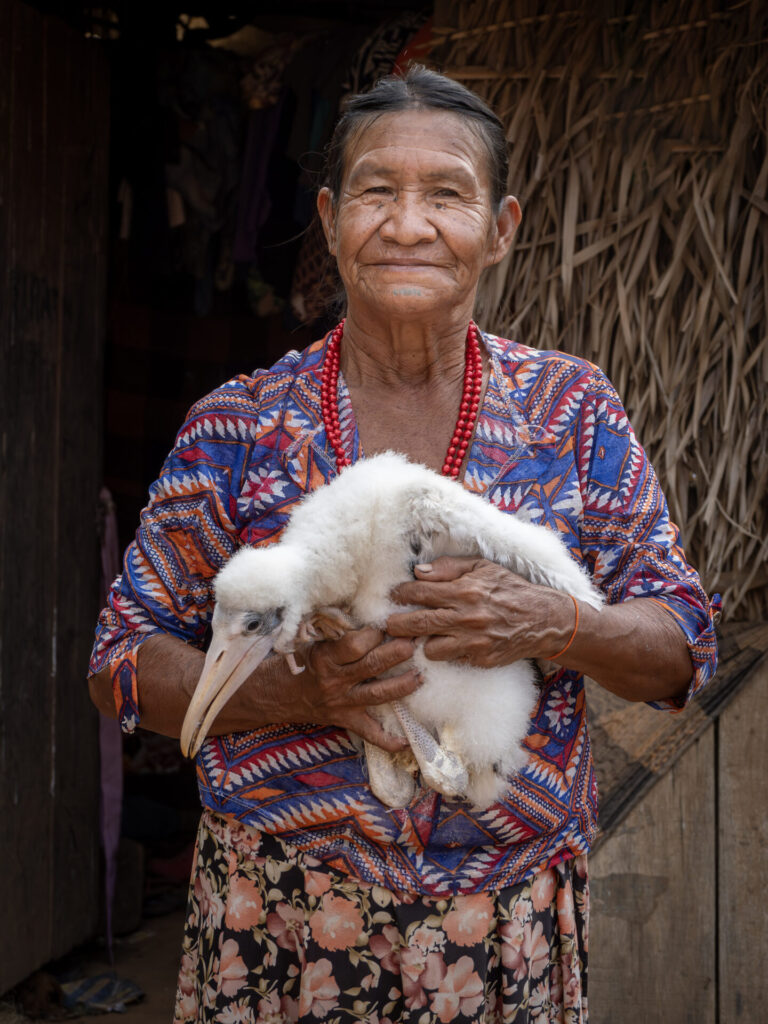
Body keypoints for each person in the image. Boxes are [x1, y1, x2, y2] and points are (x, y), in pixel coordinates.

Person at [89, 66, 719, 1024]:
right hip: (278, 920)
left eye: (447, 194)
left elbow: (681, 647)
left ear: (501, 229)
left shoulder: (571, 413)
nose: (409, 224)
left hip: (506, 925)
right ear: (333, 219)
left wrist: (552, 620)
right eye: (379, 192)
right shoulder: (242, 425)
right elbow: (119, 665)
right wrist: (295, 690)